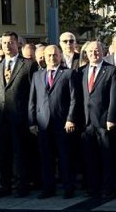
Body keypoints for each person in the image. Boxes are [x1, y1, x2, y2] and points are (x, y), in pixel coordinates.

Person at [28, 45, 80, 199]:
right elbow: (32, 100)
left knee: (64, 157)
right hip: (43, 124)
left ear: (60, 56)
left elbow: (74, 99)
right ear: (44, 56)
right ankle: (48, 188)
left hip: (62, 123)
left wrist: (71, 119)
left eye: (55, 55)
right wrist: (32, 122)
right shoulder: (38, 75)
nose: (52, 58)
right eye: (48, 55)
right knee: (46, 158)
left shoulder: (69, 74)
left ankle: (68, 187)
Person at [0, 32, 36, 197]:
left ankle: (22, 184)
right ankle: (5, 184)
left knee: (20, 153)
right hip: (2, 119)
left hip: (21, 118)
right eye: (4, 43)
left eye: (11, 42)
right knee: (3, 154)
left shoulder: (28, 65)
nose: (8, 46)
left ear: (18, 44)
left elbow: (34, 92)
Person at [80, 40, 116, 199]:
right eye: (90, 52)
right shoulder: (82, 71)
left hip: (105, 121)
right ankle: (93, 187)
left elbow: (114, 96)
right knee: (90, 158)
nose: (94, 54)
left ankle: (108, 188)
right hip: (86, 122)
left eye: (96, 51)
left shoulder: (111, 71)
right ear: (86, 54)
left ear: (103, 52)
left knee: (107, 157)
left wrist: (111, 118)